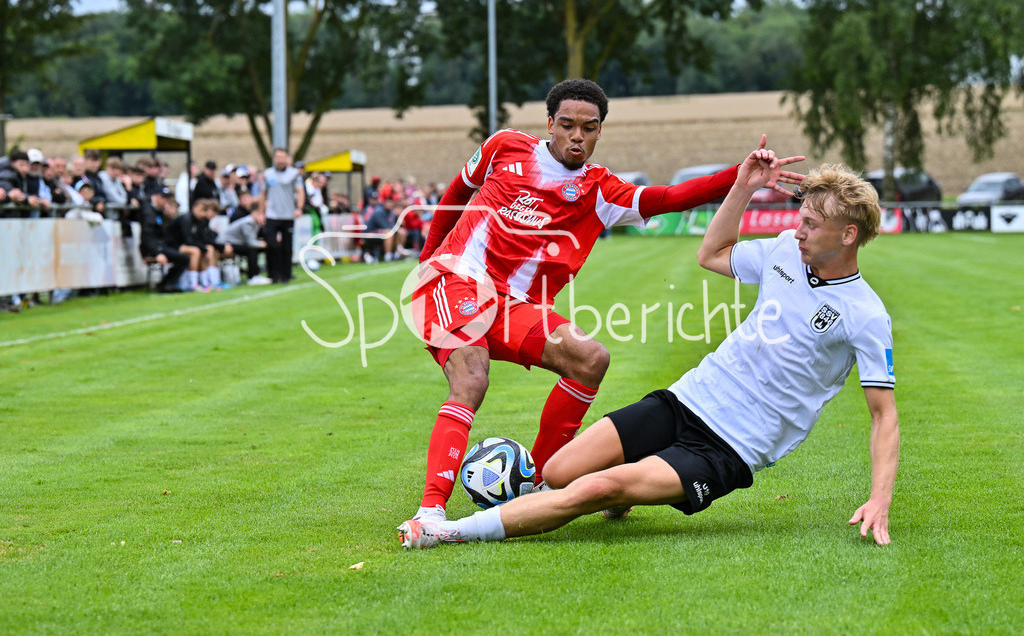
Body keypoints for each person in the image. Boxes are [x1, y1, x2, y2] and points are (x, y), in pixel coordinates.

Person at [398, 158, 901, 550]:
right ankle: (624, 488)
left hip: (730, 447)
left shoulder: (866, 314)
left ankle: (452, 531)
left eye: (811, 225)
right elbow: (712, 254)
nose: (798, 231)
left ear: (849, 235)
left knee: (594, 490)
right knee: (554, 472)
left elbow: (884, 416)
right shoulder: (783, 253)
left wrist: (880, 498)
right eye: (800, 219)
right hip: (685, 400)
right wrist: (743, 186)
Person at [403, 78, 806, 525]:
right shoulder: (505, 147)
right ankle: (430, 511)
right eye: (569, 125)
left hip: (515, 304)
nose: (578, 136)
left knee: (590, 359)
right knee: (471, 379)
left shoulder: (600, 190)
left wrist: (740, 175)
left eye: (590, 128)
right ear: (550, 123)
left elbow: (670, 198)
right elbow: (458, 192)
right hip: (454, 279)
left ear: (600, 131)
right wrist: (428, 259)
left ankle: (537, 482)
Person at [260, 147, 305, 284]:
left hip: (287, 215)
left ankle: (286, 274)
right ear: (274, 158)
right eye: (278, 157)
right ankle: (273, 274)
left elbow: (300, 191)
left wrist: (299, 208)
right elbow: (263, 194)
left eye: (282, 157)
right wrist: (262, 213)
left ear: (287, 158)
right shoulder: (268, 174)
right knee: (272, 245)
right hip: (272, 214)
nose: (280, 160)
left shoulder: (293, 174)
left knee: (286, 246)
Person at [138, 188, 191, 293]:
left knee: (184, 257)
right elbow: (147, 237)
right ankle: (167, 284)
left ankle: (166, 284)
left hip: (161, 246)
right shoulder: (149, 212)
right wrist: (157, 253)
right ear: (157, 196)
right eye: (164, 198)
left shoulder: (159, 212)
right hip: (153, 248)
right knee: (183, 259)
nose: (165, 201)